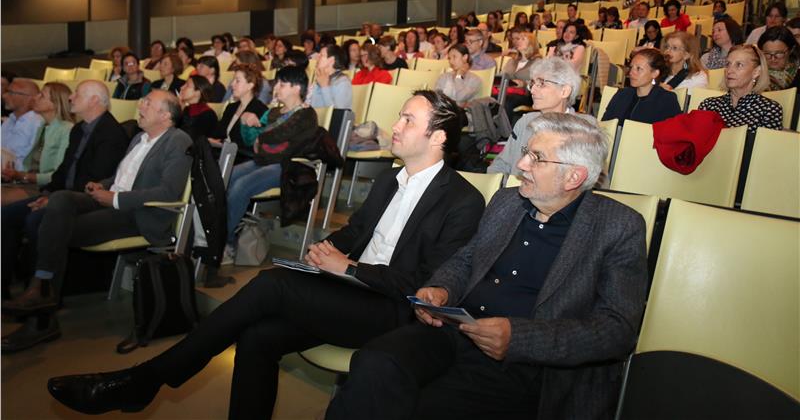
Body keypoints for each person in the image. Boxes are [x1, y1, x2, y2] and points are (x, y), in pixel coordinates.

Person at [47, 90, 486, 419]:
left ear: (438, 136)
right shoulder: (390, 179)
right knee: (257, 338)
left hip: (393, 311)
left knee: (271, 285)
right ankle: (149, 381)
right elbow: (356, 231)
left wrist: (350, 268)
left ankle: (146, 378)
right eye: (401, 115)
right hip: (349, 290)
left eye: (408, 119)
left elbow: (427, 285)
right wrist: (327, 250)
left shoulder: (463, 200)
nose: (396, 125)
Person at [326, 112, 648, 420]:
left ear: (574, 176)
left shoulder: (618, 227)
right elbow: (467, 259)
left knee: (425, 407)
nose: (521, 164)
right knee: (375, 362)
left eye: (536, 158)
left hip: (529, 365)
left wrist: (518, 338)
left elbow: (616, 330)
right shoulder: (507, 202)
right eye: (526, 152)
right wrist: (441, 288)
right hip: (456, 332)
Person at [2, 90, 192, 351]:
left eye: (148, 103)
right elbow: (122, 177)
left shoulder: (178, 141)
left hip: (138, 214)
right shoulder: (139, 138)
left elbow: (168, 192)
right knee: (61, 199)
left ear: (165, 115)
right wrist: (101, 185)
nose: (140, 105)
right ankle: (41, 291)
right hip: (113, 201)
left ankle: (41, 313)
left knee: (50, 227)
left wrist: (114, 198)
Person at [1, 80, 128, 304]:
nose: (70, 97)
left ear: (94, 101)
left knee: (35, 221)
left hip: (83, 200)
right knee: (6, 215)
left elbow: (95, 180)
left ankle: (39, 291)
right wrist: (47, 193)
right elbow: (63, 172)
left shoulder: (111, 133)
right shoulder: (79, 129)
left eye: (77, 94)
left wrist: (53, 198)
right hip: (62, 195)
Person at [224, 66, 318, 260]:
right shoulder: (274, 112)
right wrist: (246, 123)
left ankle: (224, 241)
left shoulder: (307, 114)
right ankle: (217, 233)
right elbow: (252, 141)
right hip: (264, 161)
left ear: (296, 88)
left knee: (241, 185)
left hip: (286, 166)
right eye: (277, 84)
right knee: (226, 176)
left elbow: (284, 135)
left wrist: (261, 136)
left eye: (282, 84)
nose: (276, 88)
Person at [489, 57, 594, 176]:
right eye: (532, 84)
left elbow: (591, 177)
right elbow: (502, 163)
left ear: (564, 91)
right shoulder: (525, 122)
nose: (532, 90)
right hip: (514, 186)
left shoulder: (585, 129)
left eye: (541, 84)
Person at [1, 82, 74, 205]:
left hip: (44, 188)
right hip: (26, 183)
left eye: (42, 95)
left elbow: (58, 174)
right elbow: (30, 165)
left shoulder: (66, 130)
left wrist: (22, 176)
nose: (35, 98)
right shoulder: (43, 126)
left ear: (55, 104)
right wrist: (14, 174)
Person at [698, 45, 783, 133]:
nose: (729, 70)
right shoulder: (709, 105)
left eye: (739, 65)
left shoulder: (769, 109)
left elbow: (765, 142)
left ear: (756, 72)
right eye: (728, 64)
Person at [602, 48, 682, 125]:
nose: (631, 73)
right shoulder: (622, 94)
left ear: (654, 73)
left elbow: (672, 131)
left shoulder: (666, 100)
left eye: (638, 69)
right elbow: (605, 125)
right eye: (631, 67)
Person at [210, 64, 268, 164]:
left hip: (241, 158)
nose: (232, 84)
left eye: (237, 81)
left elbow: (249, 143)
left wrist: (223, 144)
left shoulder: (260, 110)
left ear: (250, 85)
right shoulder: (231, 107)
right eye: (233, 80)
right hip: (224, 153)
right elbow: (219, 133)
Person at [1, 79, 44, 171]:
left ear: (28, 98)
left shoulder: (37, 124)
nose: (4, 96)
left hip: (18, 177)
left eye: (10, 92)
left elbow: (32, 164)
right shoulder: (10, 120)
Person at [308, 45, 353, 109]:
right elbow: (314, 107)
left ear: (331, 60)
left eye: (321, 55)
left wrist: (324, 87)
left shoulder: (343, 82)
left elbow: (337, 112)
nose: (316, 58)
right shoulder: (320, 78)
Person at [757, 26, 798, 91]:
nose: (773, 59)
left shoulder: (797, 72)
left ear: (791, 50)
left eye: (779, 53)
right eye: (767, 53)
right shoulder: (754, 72)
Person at [178, 75, 219, 139]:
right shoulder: (186, 109)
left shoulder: (207, 114)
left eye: (187, 86)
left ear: (198, 92)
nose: (181, 87)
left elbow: (189, 137)